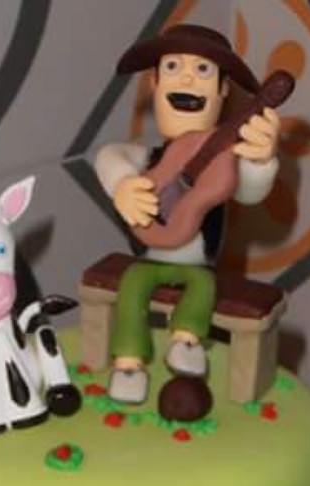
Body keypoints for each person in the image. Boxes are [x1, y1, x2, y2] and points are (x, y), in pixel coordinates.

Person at [95, 23, 281, 415]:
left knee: (202, 287)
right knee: (131, 287)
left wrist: (261, 160)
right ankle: (128, 364)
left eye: (202, 70)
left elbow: (250, 191)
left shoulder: (225, 163)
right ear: (154, 82)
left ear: (223, 89)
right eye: (173, 66)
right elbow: (110, 156)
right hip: (147, 262)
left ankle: (186, 342)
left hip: (197, 268)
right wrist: (122, 183)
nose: (186, 79)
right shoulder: (149, 158)